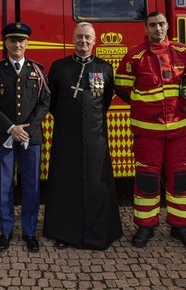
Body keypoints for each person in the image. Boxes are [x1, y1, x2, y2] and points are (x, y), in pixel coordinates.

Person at [114, 11, 186, 251]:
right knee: (146, 179)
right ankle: (145, 226)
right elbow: (122, 85)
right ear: (146, 28)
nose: (158, 28)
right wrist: (142, 105)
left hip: (178, 130)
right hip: (147, 131)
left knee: (181, 178)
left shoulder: (184, 51)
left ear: (167, 26)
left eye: (162, 24)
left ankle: (180, 226)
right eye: (153, 25)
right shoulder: (135, 55)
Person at [43, 22, 123, 250]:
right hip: (66, 137)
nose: (83, 41)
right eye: (79, 37)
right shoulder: (59, 67)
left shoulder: (104, 68)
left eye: (87, 37)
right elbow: (53, 102)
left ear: (94, 40)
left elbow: (103, 101)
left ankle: (98, 231)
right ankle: (63, 233)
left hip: (95, 138)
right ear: (73, 39)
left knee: (96, 184)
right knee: (66, 183)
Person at [0, 22, 50, 252]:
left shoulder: (37, 69)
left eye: (21, 40)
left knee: (31, 186)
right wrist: (11, 128)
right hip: (5, 137)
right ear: (6, 43)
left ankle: (30, 232)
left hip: (31, 139)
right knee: (4, 186)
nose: (17, 44)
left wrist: (27, 130)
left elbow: (44, 102)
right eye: (12, 40)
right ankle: (6, 231)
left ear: (27, 43)